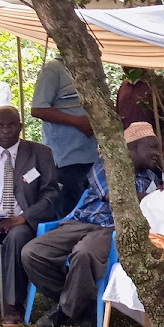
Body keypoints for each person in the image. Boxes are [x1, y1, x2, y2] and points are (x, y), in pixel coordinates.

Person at [22, 122, 161, 327]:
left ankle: (65, 311)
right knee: (31, 252)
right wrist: (152, 196)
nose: (157, 153)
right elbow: (114, 196)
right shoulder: (106, 165)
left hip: (110, 230)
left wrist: (158, 194)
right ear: (132, 148)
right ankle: (83, 305)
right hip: (79, 223)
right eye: (152, 147)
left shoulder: (151, 178)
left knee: (84, 253)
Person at [0, 106, 60, 327]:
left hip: (21, 221)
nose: (5, 130)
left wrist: (24, 217)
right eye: (0, 125)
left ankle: (13, 307)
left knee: (17, 237)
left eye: (10, 125)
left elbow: (52, 193)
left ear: (20, 126)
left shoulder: (40, 153)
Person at [31, 55, 98, 217]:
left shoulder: (87, 70)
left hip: (90, 157)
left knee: (88, 210)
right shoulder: (54, 69)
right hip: (66, 160)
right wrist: (77, 122)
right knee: (70, 212)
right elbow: (37, 109)